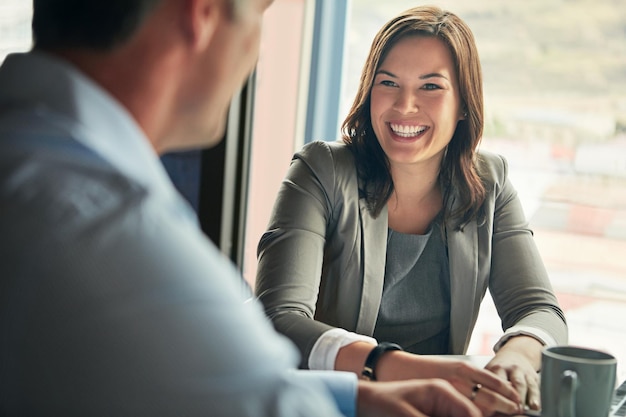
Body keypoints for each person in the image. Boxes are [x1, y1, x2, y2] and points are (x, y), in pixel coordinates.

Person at [0, 0, 508, 416]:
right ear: (201, 15)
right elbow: (260, 393)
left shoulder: (32, 158)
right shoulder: (118, 234)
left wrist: (360, 397)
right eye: (258, 13)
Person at [255, 4, 568, 413]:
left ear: (463, 107)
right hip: (336, 406)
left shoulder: (491, 182)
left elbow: (540, 311)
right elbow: (278, 318)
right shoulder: (321, 171)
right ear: (369, 92)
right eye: (388, 83)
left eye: (430, 87)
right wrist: (398, 368)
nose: (404, 106)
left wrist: (518, 355)